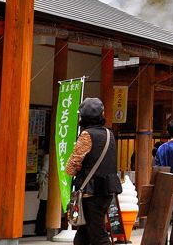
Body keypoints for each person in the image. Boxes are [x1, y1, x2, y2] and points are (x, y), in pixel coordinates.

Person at [65, 98, 122, 245]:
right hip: (107, 190)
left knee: (98, 235)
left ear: (82, 117)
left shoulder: (87, 135)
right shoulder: (109, 134)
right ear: (102, 114)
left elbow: (71, 166)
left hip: (90, 192)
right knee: (84, 234)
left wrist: (79, 169)